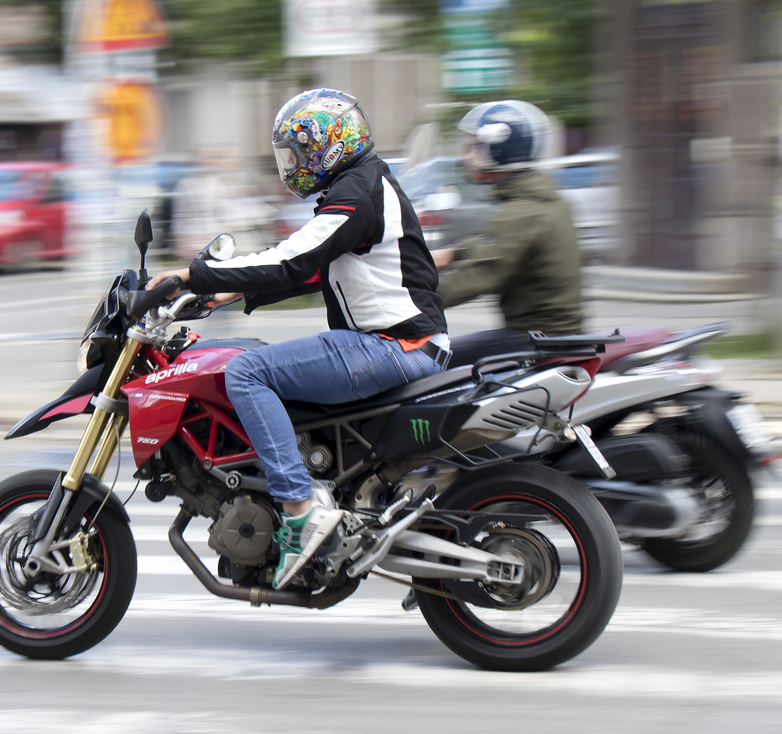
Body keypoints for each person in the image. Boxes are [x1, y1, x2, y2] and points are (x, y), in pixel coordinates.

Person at [146, 89, 449, 589]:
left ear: (329, 143)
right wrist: (226, 294)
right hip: (397, 344)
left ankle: (299, 510)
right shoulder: (364, 186)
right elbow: (318, 270)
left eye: (299, 151)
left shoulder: (359, 191)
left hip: (394, 346)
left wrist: (193, 275)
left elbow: (295, 258)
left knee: (245, 371)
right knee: (260, 359)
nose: (294, 164)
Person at [433, 100, 584, 364]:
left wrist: (407, 302)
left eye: (474, 147)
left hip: (536, 341)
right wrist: (451, 254)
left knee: (430, 360)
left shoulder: (521, 212)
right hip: (552, 335)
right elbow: (493, 244)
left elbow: (478, 276)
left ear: (499, 149)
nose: (466, 156)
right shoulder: (541, 201)